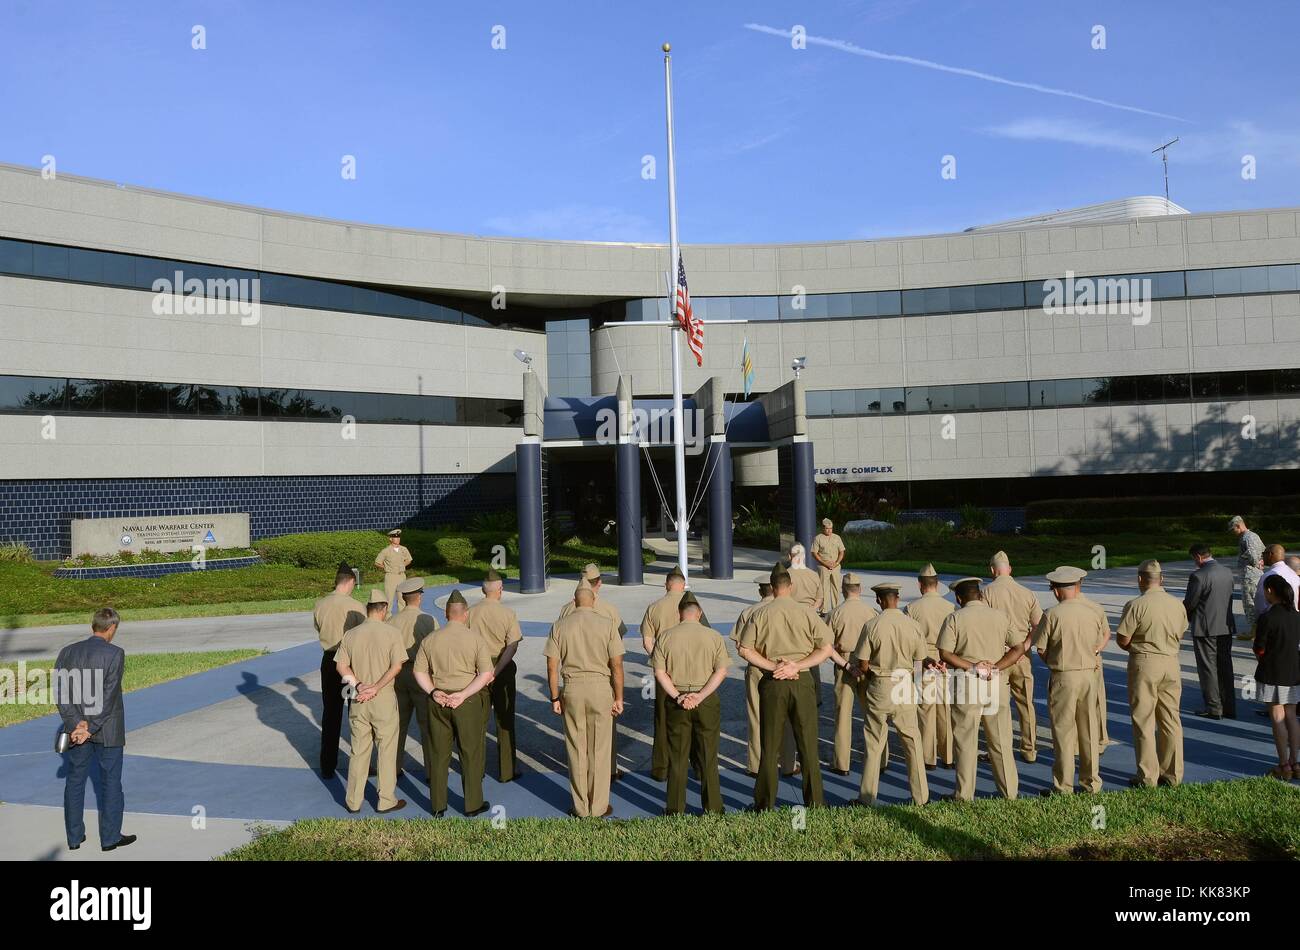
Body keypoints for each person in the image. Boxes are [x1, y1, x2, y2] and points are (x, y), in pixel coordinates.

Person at [737, 565, 832, 811]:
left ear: (771, 586)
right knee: (808, 745)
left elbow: (744, 649)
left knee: (770, 746)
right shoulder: (807, 613)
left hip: (773, 682)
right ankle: (815, 802)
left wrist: (773, 666)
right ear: (791, 587)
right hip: (801, 681)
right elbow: (825, 649)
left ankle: (764, 804)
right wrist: (797, 666)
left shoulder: (760, 614)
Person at [937, 578, 1026, 801]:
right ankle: (1009, 792)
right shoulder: (1000, 616)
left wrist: (973, 666)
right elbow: (1019, 647)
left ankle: (964, 795)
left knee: (966, 741)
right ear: (981, 595)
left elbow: (945, 653)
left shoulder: (955, 618)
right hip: (995, 683)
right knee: (1001, 741)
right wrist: (997, 666)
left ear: (959, 598)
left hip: (968, 684)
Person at [55, 607, 134, 852]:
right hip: (107, 730)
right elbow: (108, 696)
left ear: (93, 626)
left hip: (76, 730)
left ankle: (74, 838)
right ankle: (110, 839)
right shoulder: (115, 653)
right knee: (111, 783)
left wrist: (76, 724)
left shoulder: (67, 652)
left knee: (75, 781)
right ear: (112, 628)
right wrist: (91, 727)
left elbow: (61, 693)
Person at [413, 589, 494, 817]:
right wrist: (464, 694)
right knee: (471, 752)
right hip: (466, 702)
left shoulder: (430, 639)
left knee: (439, 754)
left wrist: (434, 691)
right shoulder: (475, 639)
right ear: (465, 614)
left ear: (446, 614)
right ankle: (472, 805)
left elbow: (419, 672)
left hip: (438, 701)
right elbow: (486, 673)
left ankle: (438, 805)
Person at [545, 586, 625, 817]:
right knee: (599, 749)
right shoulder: (608, 624)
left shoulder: (559, 625)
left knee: (576, 748)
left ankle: (580, 807)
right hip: (601, 688)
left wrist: (554, 697)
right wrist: (619, 697)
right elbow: (617, 665)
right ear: (594, 600)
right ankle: (598, 806)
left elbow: (552, 666)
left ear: (574, 601)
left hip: (572, 688)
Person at [653, 591, 729, 814]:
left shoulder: (665, 637)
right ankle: (713, 806)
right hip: (705, 702)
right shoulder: (713, 636)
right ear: (700, 614)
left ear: (679, 614)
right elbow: (721, 671)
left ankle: (675, 808)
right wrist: (701, 696)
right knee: (708, 756)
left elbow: (660, 673)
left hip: (677, 702)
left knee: (677, 756)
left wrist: (678, 696)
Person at [853, 582, 930, 806]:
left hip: (881, 684)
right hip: (904, 684)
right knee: (911, 741)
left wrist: (870, 678)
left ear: (878, 600)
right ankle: (921, 796)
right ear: (897, 597)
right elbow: (919, 662)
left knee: (874, 741)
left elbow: (864, 663)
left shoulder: (872, 625)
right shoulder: (913, 625)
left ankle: (867, 796)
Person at [1032, 567, 1107, 796]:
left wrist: (1054, 660)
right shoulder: (1093, 611)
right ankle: (1091, 782)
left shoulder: (1052, 614)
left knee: (1063, 731)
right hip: (1089, 675)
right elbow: (1103, 637)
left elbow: (1041, 648)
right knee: (1089, 729)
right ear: (1077, 587)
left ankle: (1063, 785)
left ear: (1055, 591)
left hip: (1064, 675)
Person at [1114, 560, 1188, 788]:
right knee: (1171, 719)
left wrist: (1138, 649)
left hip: (1145, 663)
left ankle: (1147, 777)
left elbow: (1123, 639)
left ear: (1140, 579)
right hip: (1171, 663)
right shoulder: (1177, 604)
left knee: (1144, 719)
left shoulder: (1136, 605)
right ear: (1161, 578)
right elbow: (1181, 634)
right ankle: (1173, 774)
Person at [335, 590, 408, 814]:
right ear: (384, 608)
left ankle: (353, 801)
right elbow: (397, 666)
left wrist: (358, 686)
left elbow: (341, 666)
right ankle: (386, 800)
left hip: (358, 699)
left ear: (367, 608)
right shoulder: (392, 633)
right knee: (386, 750)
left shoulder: (350, 634)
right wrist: (376, 687)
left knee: (359, 750)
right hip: (383, 698)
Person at [555, 564, 627, 778]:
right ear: (600, 583)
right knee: (604, 732)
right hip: (602, 678)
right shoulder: (609, 610)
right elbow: (617, 651)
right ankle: (609, 770)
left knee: (577, 734)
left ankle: (582, 775)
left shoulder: (566, 610)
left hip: (573, 680)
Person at [641, 565, 709, 781]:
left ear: (666, 584)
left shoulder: (654, 607)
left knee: (662, 722)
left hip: (665, 675)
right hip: (694, 673)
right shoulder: (694, 607)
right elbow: (705, 636)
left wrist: (660, 662)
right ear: (683, 584)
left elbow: (647, 641)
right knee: (697, 724)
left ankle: (662, 769)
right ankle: (699, 768)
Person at [981, 551, 1043, 763]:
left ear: (992, 570)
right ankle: (1029, 749)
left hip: (997, 657)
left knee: (997, 705)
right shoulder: (1027, 593)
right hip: (1022, 656)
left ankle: (998, 750)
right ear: (1010, 568)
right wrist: (1023, 646)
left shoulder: (986, 593)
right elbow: (1038, 625)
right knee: (1026, 704)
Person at [732, 579, 795, 777]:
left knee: (757, 717)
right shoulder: (792, 610)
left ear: (760, 590)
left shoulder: (749, 612)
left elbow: (740, 647)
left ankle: (756, 765)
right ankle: (788, 764)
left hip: (758, 669)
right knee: (786, 717)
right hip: (786, 668)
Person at [467, 568, 523, 782]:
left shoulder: (470, 613)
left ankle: (476, 769)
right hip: (502, 668)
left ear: (483, 590)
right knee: (505, 719)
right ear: (500, 590)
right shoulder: (507, 613)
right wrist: (496, 671)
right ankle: (507, 770)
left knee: (477, 723)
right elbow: (512, 645)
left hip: (476, 670)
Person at [313, 561, 366, 779]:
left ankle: (327, 765)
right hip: (349, 667)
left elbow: (318, 627)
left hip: (328, 663)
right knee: (357, 715)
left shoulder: (320, 604)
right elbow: (364, 636)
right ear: (351, 581)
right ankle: (359, 765)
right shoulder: (355, 606)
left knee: (331, 714)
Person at [388, 576, 439, 782]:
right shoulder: (428, 620)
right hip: (421, 675)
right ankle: (431, 772)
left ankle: (394, 768)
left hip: (397, 675)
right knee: (427, 726)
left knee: (397, 726)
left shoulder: (392, 621)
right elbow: (435, 652)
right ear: (419, 597)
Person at [906, 564, 955, 769]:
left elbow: (908, 639)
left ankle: (928, 758)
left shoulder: (911, 608)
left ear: (920, 585)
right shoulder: (950, 607)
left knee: (925, 710)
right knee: (945, 709)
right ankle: (948, 756)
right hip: (945, 659)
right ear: (937, 584)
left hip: (922, 660)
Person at [1252, 574, 1300, 780]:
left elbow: (1259, 648)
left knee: (1277, 717)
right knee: (1291, 715)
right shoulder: (1296, 615)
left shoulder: (1268, 617)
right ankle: (1295, 762)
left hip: (1272, 671)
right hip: (1294, 671)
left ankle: (1283, 765)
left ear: (1270, 590)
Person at [826, 572, 875, 775]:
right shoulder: (871, 611)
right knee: (872, 715)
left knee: (843, 714)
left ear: (842, 590)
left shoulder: (835, 613)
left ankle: (841, 763)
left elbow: (826, 645)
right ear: (860, 589)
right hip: (867, 664)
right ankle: (880, 760)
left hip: (844, 663)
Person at [1184, 543, 1238, 720]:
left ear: (1198, 557)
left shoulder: (1198, 576)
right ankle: (1229, 705)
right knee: (1225, 667)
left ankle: (1214, 707)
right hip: (1225, 626)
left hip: (1205, 628)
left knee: (1208, 668)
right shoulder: (1227, 572)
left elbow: (1190, 603)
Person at [1229, 515, 1265, 639]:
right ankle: (1255, 630)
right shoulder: (1252, 536)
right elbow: (1263, 551)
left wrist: (1256, 562)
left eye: (1233, 529)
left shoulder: (1248, 537)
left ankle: (1254, 632)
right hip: (1252, 575)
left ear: (1238, 526)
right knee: (1252, 602)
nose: (1233, 532)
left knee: (1250, 603)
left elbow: (1254, 556)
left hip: (1250, 576)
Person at [1254, 544, 1300, 620]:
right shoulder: (1294, 575)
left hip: (1274, 621)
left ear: (1270, 554)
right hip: (1294, 620)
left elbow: (1260, 604)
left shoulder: (1268, 576)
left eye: (1264, 553)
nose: (1262, 556)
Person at [811, 518, 846, 617]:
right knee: (824, 588)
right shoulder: (818, 538)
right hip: (823, 566)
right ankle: (824, 610)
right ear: (823, 528)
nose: (829, 530)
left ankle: (835, 608)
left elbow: (842, 551)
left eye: (831, 528)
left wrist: (837, 563)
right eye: (827, 528)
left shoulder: (837, 537)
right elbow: (814, 553)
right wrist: (824, 563)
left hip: (835, 566)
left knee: (836, 587)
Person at [375, 528, 412, 614]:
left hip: (401, 576)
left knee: (402, 599)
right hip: (391, 577)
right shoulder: (386, 551)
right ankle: (388, 619)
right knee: (389, 600)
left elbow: (409, 560)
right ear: (390, 539)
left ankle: (402, 618)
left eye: (399, 537)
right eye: (395, 537)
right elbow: (377, 562)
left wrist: (403, 565)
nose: (398, 539)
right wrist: (386, 568)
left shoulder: (404, 549)